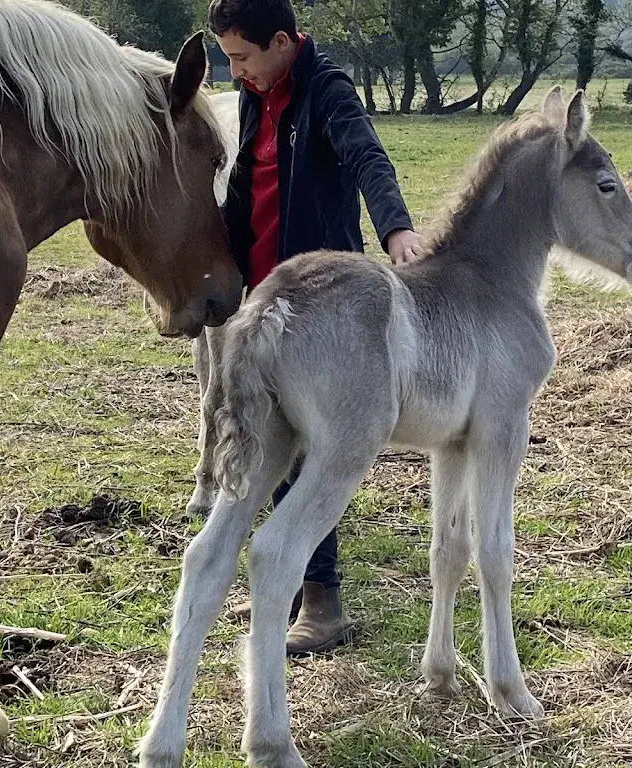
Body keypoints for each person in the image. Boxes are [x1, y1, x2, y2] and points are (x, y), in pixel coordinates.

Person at [209, 0, 421, 655]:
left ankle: (321, 603)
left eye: (243, 57)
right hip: (266, 297)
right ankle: (294, 581)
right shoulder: (257, 95)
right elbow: (245, 184)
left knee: (305, 448)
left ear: (281, 42)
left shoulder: (326, 89)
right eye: (229, 61)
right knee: (269, 438)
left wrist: (397, 229)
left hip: (323, 305)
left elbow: (366, 158)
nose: (237, 72)